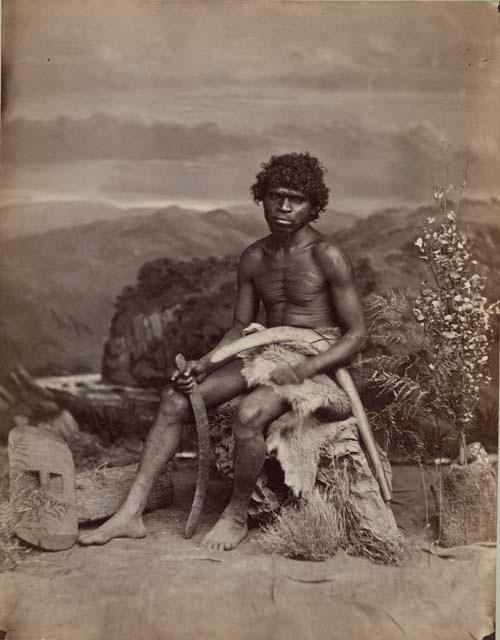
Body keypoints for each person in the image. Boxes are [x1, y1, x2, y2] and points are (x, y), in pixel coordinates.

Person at [79, 152, 367, 551]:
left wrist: (306, 369)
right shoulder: (253, 257)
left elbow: (355, 336)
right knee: (174, 399)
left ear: (313, 206)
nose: (284, 206)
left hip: (315, 361)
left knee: (250, 414)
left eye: (296, 199)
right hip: (265, 351)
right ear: (261, 198)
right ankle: (130, 513)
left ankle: (235, 515)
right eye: (276, 196)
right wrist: (205, 363)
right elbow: (239, 327)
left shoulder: (327, 256)